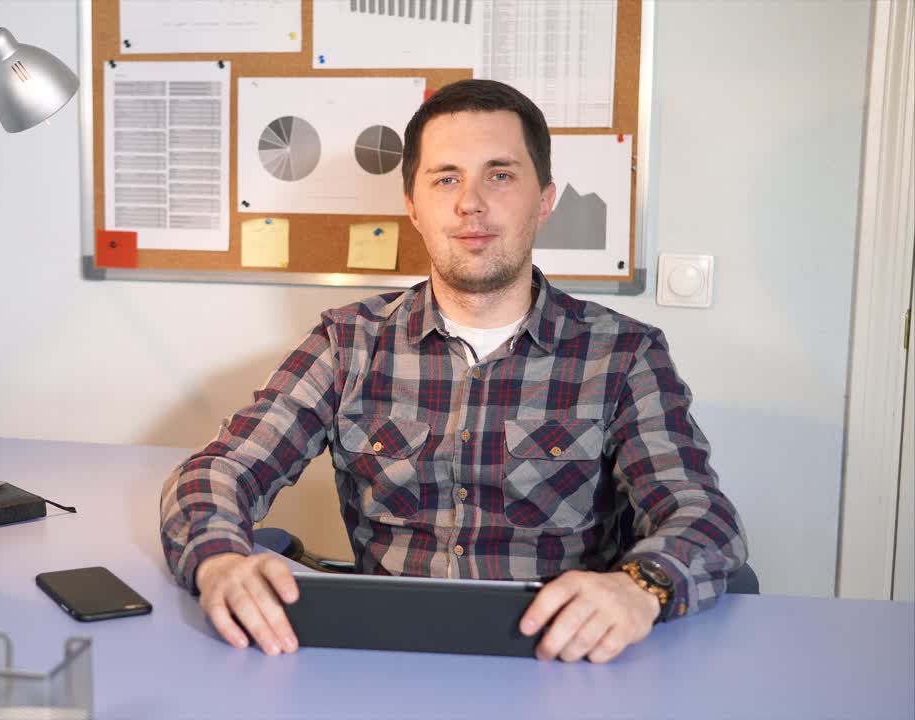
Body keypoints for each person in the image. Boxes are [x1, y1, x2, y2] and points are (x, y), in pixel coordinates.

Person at [159, 79, 748, 664]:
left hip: (563, 659)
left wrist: (639, 588)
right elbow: (222, 470)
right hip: (388, 656)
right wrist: (219, 560)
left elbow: (701, 514)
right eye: (446, 178)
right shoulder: (348, 342)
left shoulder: (624, 355)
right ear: (413, 205)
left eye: (500, 174)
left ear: (544, 198)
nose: (471, 202)